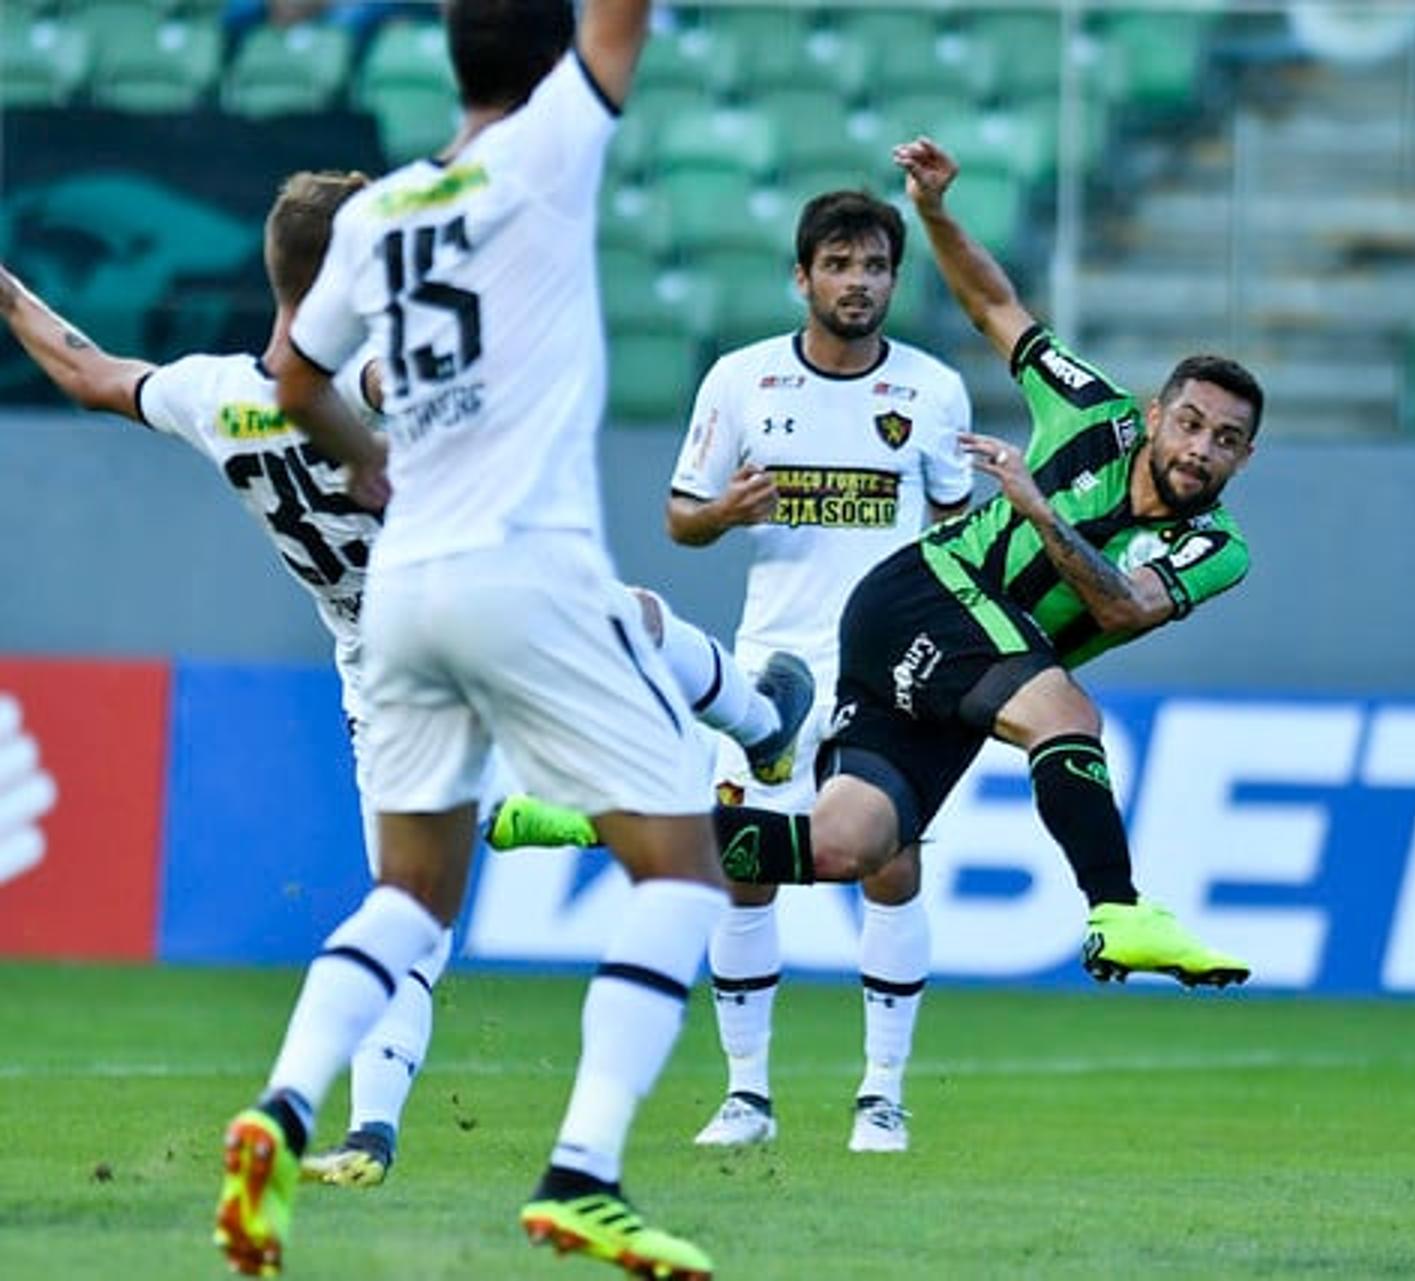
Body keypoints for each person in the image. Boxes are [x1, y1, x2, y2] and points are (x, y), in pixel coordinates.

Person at [0, 170, 809, 1199]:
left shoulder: (217, 396)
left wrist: (10, 293)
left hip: (379, 666)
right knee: (625, 622)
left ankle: (369, 1126)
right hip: (479, 619)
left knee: (409, 905)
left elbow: (88, 372)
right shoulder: (384, 379)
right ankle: (742, 719)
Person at [215, 0, 749, 1275]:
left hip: (401, 590)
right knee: (680, 873)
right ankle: (584, 1174)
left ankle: (282, 1109)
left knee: (409, 894)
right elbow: (620, 24)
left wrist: (379, 466)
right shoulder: (552, 145)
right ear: (549, 58)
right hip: (526, 567)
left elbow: (293, 376)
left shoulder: (380, 211)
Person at [702, 137, 1262, 989]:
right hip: (923, 593)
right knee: (1069, 716)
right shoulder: (1092, 416)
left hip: (965, 667)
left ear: (1242, 461)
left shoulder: (1218, 548)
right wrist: (932, 211)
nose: (1200, 449)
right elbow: (994, 303)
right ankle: (1118, 909)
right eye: (1189, 423)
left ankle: (619, 821)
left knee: (849, 844)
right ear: (1155, 416)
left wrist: (1037, 508)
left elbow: (1123, 609)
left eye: (1225, 441)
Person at [488, 188, 975, 1155]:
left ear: (892, 279)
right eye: (838, 265)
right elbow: (682, 515)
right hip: (774, 667)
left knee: (890, 861)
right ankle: (747, 1093)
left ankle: (883, 1093)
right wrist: (728, 513)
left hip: (889, 673)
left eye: (874, 266)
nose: (858, 282)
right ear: (803, 279)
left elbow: (958, 533)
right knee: (742, 873)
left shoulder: (932, 391)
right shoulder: (741, 383)